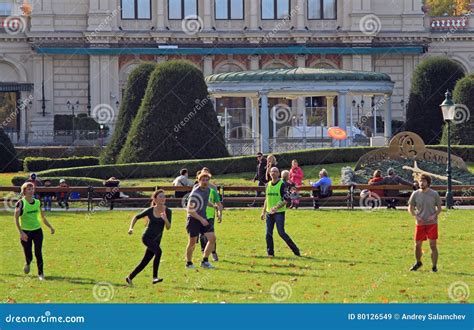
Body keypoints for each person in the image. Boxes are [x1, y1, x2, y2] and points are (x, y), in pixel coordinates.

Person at [126, 189, 172, 286]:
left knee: (145, 261)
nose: (163, 198)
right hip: (147, 237)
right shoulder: (150, 210)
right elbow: (136, 217)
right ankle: (155, 277)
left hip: (157, 240)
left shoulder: (168, 211)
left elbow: (168, 227)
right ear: (155, 199)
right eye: (160, 197)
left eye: (164, 196)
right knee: (159, 252)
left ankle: (130, 277)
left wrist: (165, 219)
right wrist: (131, 228)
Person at [14, 182, 55, 281]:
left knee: (38, 252)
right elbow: (15, 219)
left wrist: (50, 227)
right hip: (25, 233)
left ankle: (41, 274)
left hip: (37, 231)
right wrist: (21, 232)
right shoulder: (20, 203)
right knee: (29, 256)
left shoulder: (38, 202)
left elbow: (42, 217)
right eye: (29, 189)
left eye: (32, 189)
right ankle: (27, 263)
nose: (31, 191)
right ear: (24, 191)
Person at [260, 167, 300, 257]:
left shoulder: (283, 185)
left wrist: (276, 208)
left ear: (279, 174)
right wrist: (263, 212)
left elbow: (286, 200)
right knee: (268, 234)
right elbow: (266, 199)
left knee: (281, 233)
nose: (273, 173)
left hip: (279, 213)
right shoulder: (267, 185)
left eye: (275, 172)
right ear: (269, 173)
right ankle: (270, 253)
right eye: (272, 172)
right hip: (269, 213)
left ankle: (295, 250)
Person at [407, 174, 442, 272]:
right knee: (417, 245)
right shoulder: (415, 194)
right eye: (420, 181)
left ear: (428, 183)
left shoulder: (434, 194)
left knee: (433, 245)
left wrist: (434, 216)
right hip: (420, 223)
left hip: (432, 223)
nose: (421, 183)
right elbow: (410, 208)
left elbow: (439, 209)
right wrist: (415, 215)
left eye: (424, 181)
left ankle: (434, 267)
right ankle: (418, 262)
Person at [185, 172, 216, 269]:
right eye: (203, 180)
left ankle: (205, 261)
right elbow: (190, 210)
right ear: (199, 181)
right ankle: (189, 263)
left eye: (207, 180)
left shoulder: (208, 190)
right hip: (193, 219)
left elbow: (205, 202)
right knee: (192, 242)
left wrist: (215, 206)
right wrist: (201, 219)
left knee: (212, 239)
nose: (205, 182)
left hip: (203, 218)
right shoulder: (195, 193)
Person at [199, 168, 223, 262]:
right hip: (200, 216)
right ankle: (204, 254)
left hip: (209, 216)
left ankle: (213, 253)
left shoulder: (213, 189)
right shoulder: (196, 188)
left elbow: (218, 204)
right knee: (202, 236)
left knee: (211, 237)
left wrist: (219, 214)